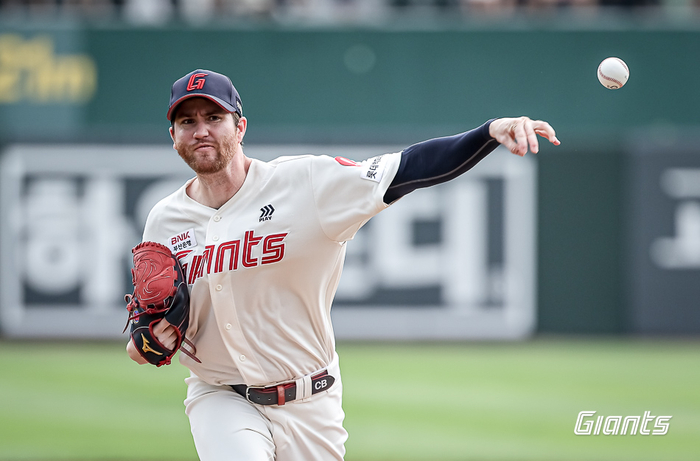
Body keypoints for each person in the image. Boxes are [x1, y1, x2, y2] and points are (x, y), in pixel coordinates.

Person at [126, 68, 560, 461]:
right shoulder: (165, 220)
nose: (201, 130)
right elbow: (146, 328)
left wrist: (489, 132)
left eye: (214, 117)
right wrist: (147, 343)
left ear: (240, 127)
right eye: (187, 122)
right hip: (219, 396)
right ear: (173, 135)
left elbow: (408, 168)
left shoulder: (304, 182)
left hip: (311, 399)